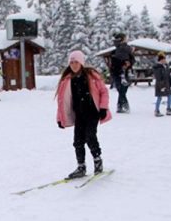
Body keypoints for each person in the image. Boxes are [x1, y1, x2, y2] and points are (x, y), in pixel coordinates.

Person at [56, 50, 111, 179]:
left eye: (76, 62)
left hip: (92, 113)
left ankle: (97, 160)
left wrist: (103, 108)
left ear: (81, 63)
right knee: (78, 141)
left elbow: (103, 92)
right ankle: (81, 166)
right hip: (79, 114)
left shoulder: (91, 75)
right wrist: (60, 118)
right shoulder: (68, 80)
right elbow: (62, 101)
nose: (74, 65)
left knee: (90, 136)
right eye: (71, 62)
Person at [109, 32, 134, 113]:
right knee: (121, 90)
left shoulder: (127, 49)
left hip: (126, 72)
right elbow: (114, 63)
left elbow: (132, 59)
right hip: (118, 72)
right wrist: (122, 64)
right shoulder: (116, 51)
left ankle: (120, 106)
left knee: (123, 89)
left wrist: (129, 63)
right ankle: (124, 105)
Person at [152, 52, 171, 117]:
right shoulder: (157, 67)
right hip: (160, 84)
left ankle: (169, 109)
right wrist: (161, 85)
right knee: (159, 97)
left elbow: (168, 76)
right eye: (163, 59)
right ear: (160, 60)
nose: (165, 60)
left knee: (169, 96)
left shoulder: (166, 66)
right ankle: (157, 110)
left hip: (167, 84)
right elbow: (158, 77)